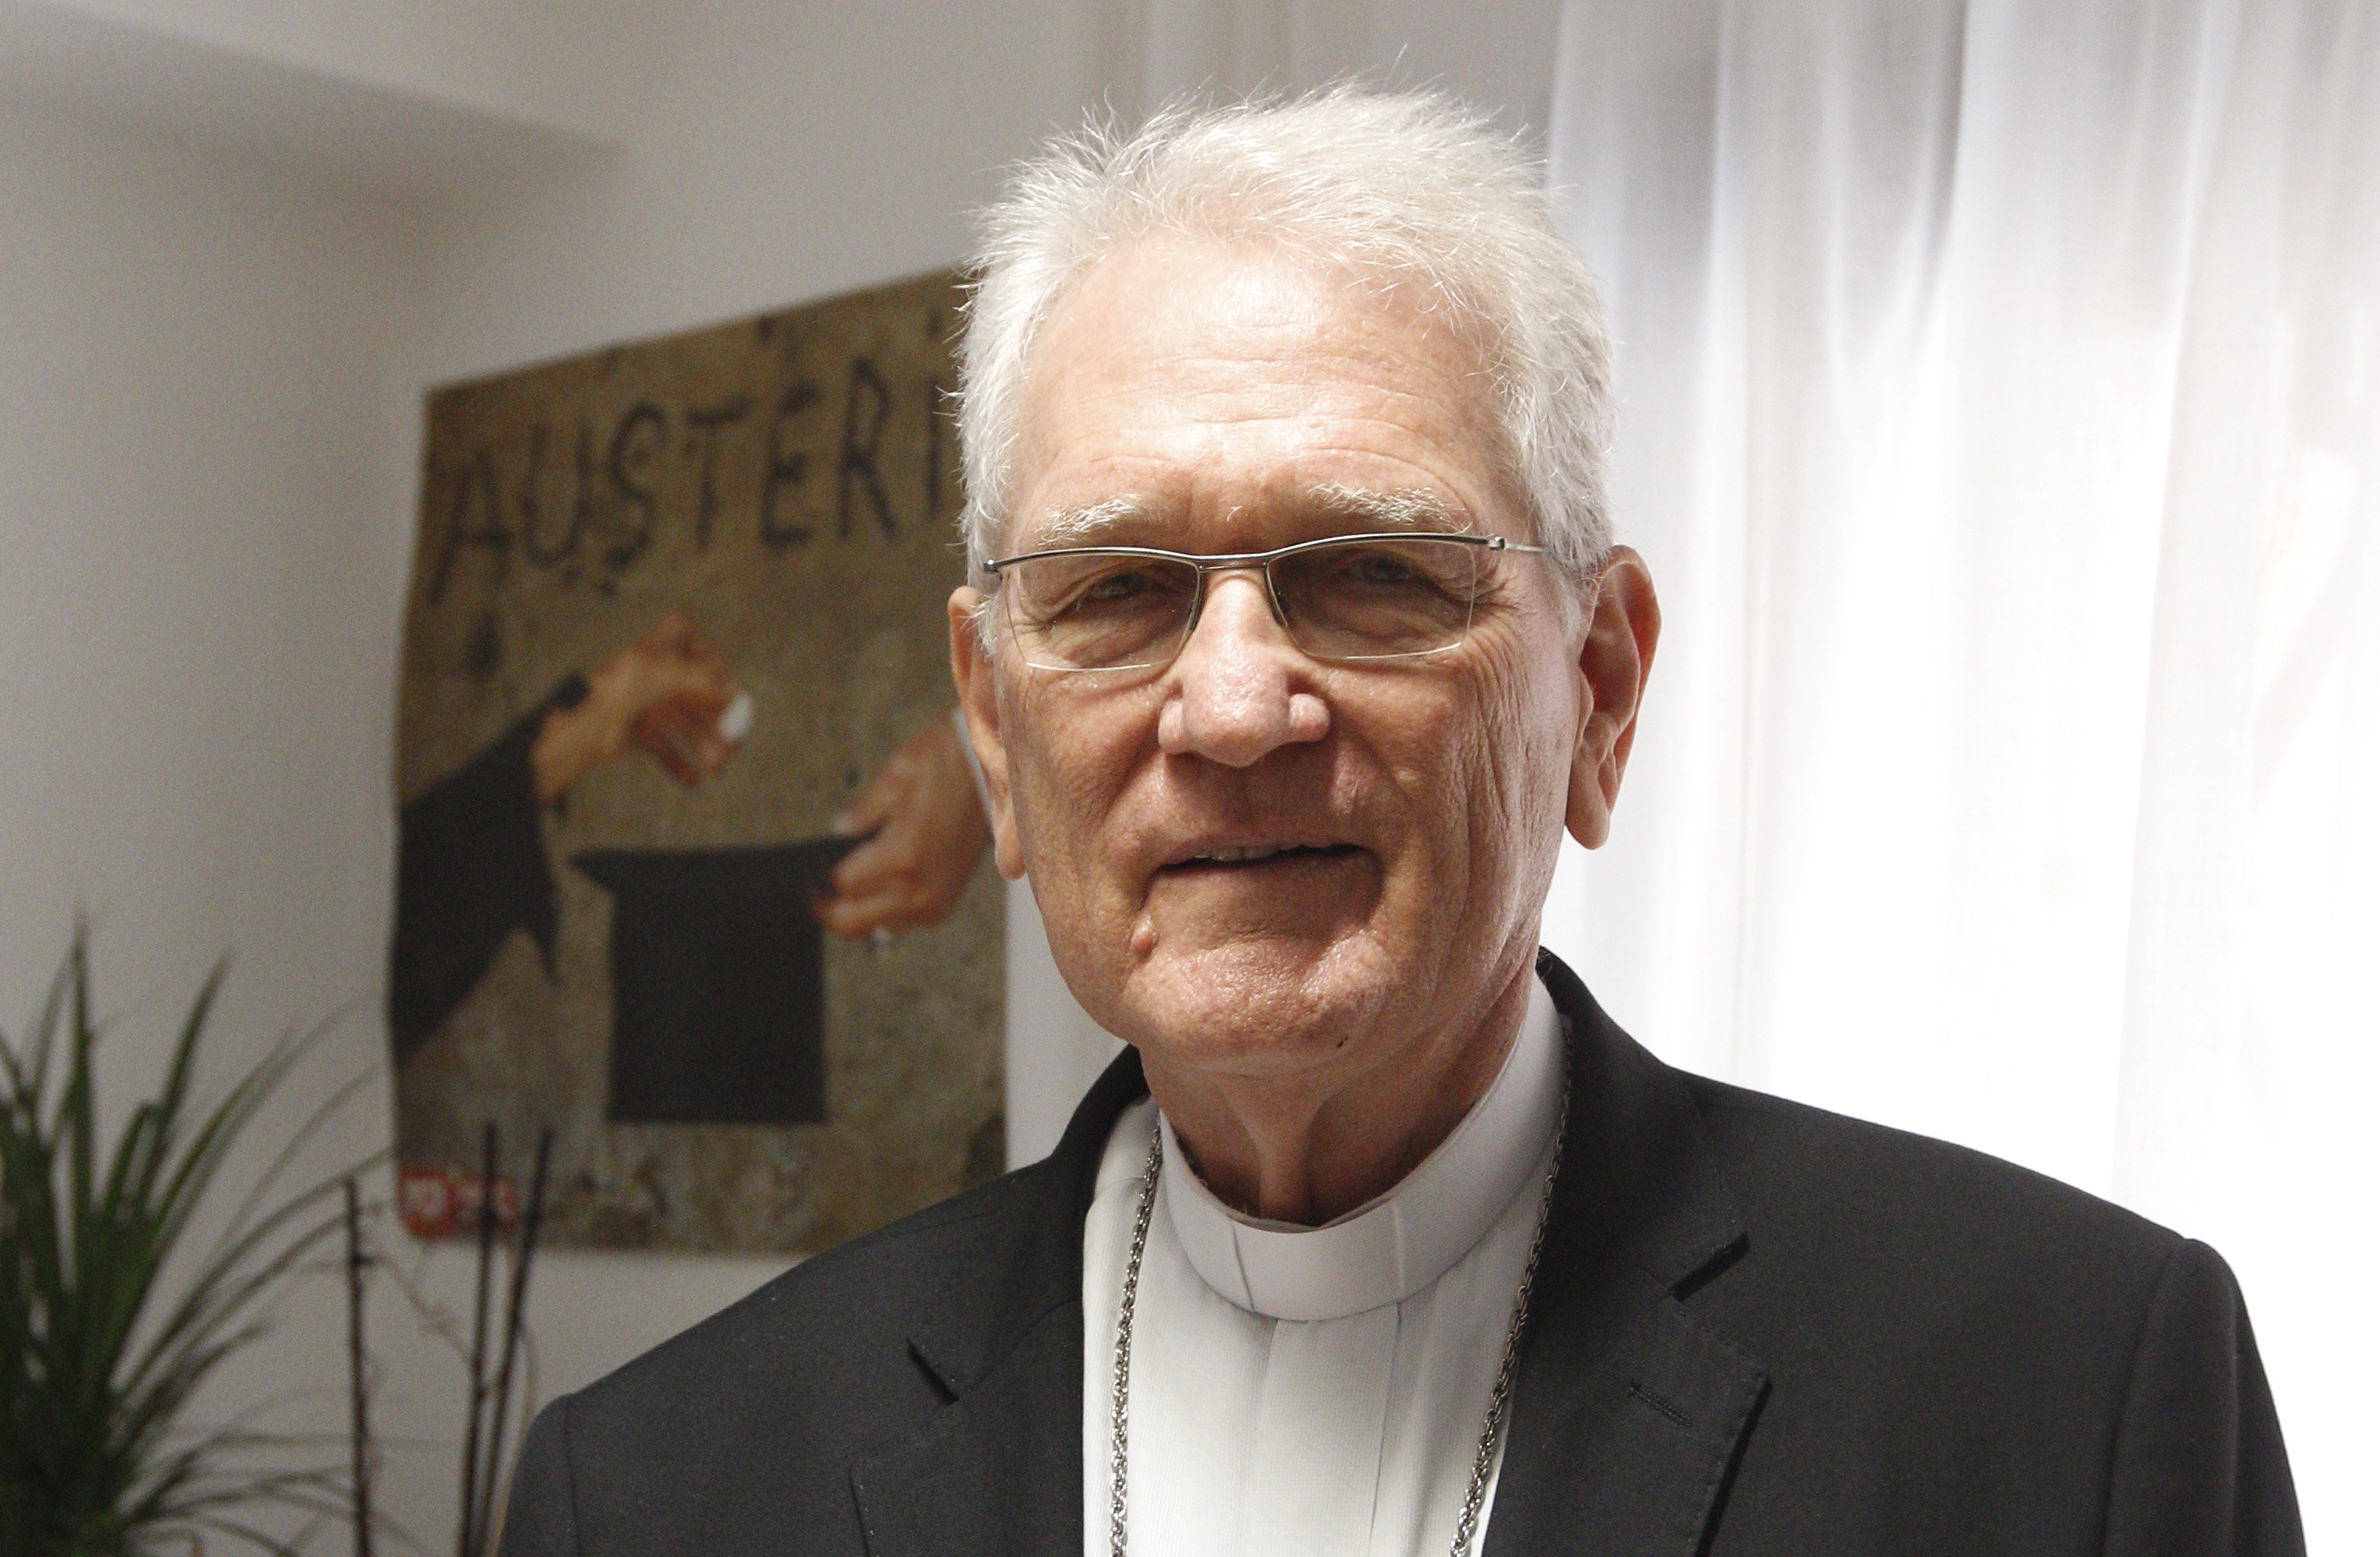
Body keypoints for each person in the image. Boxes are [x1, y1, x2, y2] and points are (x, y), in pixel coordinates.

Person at [496, 90, 2301, 1556]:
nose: (1229, 707)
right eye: (1118, 589)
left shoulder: (2073, 1404)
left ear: (1596, 688)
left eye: (1368, 572)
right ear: (992, 729)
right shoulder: (658, 1490)